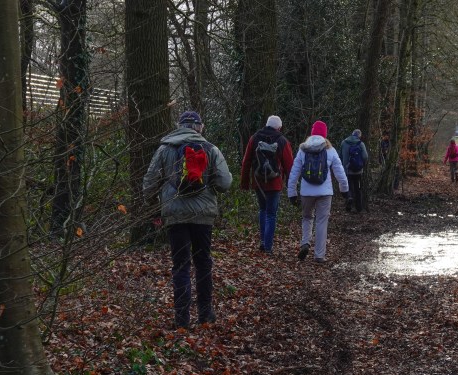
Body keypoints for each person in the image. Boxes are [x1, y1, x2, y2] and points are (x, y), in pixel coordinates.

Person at [143, 110, 232, 329]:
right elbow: (224, 183)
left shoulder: (165, 149)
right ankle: (205, 314)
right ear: (200, 127)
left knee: (181, 265)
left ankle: (182, 319)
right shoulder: (211, 149)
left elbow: (149, 182)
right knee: (203, 263)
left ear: (179, 126)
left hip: (175, 214)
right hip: (203, 215)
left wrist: (153, 206)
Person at [287, 120, 349, 263]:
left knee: (307, 218)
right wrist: (344, 189)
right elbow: (340, 172)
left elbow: (294, 173)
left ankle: (305, 243)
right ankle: (319, 255)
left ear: (312, 133)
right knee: (321, 221)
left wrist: (292, 193)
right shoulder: (330, 150)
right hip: (325, 192)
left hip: (306, 192)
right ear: (325, 134)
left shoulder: (303, 149)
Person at [239, 115, 294, 254]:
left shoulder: (254, 138)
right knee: (271, 214)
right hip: (274, 183)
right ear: (279, 127)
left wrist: (245, 182)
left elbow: (246, 161)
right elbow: (289, 165)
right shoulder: (282, 141)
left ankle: (263, 242)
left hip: (258, 181)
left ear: (266, 124)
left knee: (263, 210)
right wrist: (291, 185)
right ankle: (268, 247)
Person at [340, 129, 369, 213]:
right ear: (359, 136)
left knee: (348, 187)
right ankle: (359, 208)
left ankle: (349, 199)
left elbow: (340, 156)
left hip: (347, 170)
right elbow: (365, 157)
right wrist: (362, 164)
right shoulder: (361, 144)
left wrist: (344, 164)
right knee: (357, 189)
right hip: (358, 171)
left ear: (352, 134)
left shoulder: (344, 142)